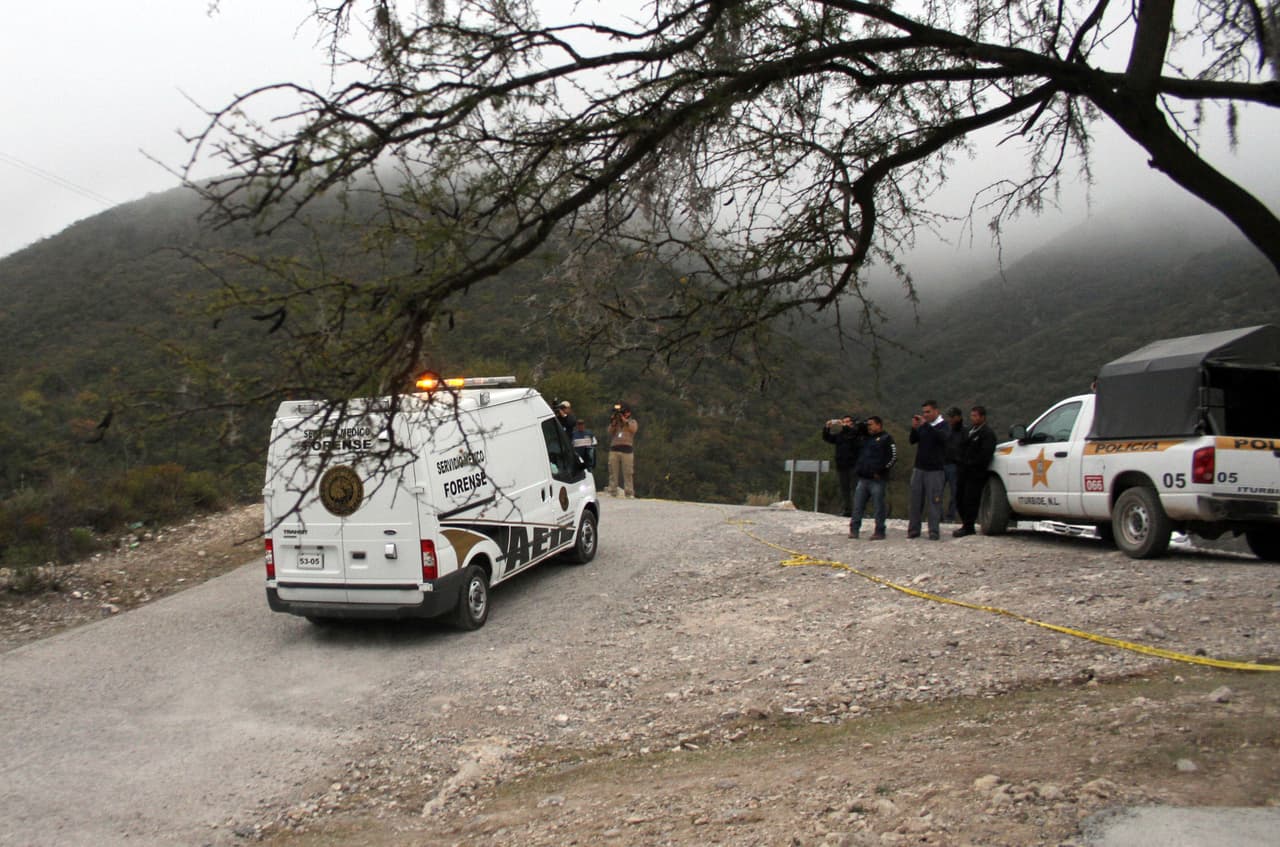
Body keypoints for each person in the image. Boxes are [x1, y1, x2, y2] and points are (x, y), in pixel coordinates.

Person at [848, 416, 897, 540]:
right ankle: (854, 530)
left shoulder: (886, 438)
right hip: (863, 477)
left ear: (879, 425)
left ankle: (879, 531)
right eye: (868, 425)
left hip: (877, 479)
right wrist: (859, 427)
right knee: (858, 505)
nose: (869, 427)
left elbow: (893, 457)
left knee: (878, 506)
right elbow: (852, 439)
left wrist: (881, 470)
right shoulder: (866, 438)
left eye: (871, 424)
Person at [952, 405, 997, 537]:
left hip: (976, 472)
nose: (973, 418)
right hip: (963, 471)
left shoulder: (987, 433)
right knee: (959, 497)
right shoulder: (971, 431)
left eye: (976, 416)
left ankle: (969, 525)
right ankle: (965, 523)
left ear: (983, 417)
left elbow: (985, 454)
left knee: (970, 499)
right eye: (972, 415)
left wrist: (972, 463)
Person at [907, 400, 949, 540]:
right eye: (924, 412)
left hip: (935, 470)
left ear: (936, 411)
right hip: (919, 468)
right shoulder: (924, 427)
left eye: (928, 412)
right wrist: (914, 428)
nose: (926, 415)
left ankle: (933, 530)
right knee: (915, 500)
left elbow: (942, 438)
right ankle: (914, 529)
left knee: (934, 501)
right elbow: (913, 440)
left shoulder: (943, 425)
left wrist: (926, 425)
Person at [822, 414, 863, 517]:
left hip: (853, 465)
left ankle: (859, 510)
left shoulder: (856, 433)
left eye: (847, 421)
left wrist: (845, 426)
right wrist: (827, 428)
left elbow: (853, 435)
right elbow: (828, 438)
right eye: (844, 421)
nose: (845, 423)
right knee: (845, 489)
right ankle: (847, 510)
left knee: (856, 489)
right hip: (842, 466)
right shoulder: (840, 435)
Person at [607, 403, 638, 497]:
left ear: (628, 413)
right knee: (613, 472)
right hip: (614, 449)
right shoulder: (616, 423)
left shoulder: (632, 422)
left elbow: (633, 429)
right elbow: (609, 431)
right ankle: (612, 491)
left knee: (628, 472)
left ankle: (629, 492)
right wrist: (614, 422)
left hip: (627, 450)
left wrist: (624, 420)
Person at [942, 407, 965, 522]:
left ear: (958, 417)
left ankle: (950, 517)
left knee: (955, 493)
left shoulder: (964, 432)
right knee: (937, 492)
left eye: (952, 416)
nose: (950, 419)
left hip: (955, 465)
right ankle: (938, 516)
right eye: (949, 417)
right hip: (942, 463)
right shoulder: (946, 429)